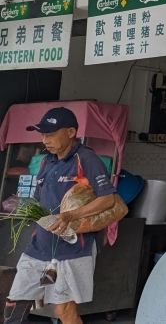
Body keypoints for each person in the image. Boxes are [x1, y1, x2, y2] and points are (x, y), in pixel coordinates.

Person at [4, 108, 120, 324]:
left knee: (64, 310)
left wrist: (70, 215)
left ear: (71, 132)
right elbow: (40, 199)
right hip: (40, 247)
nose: (45, 140)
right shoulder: (46, 161)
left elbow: (108, 199)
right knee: (15, 304)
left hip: (71, 250)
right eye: (43, 135)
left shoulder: (86, 159)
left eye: (50, 134)